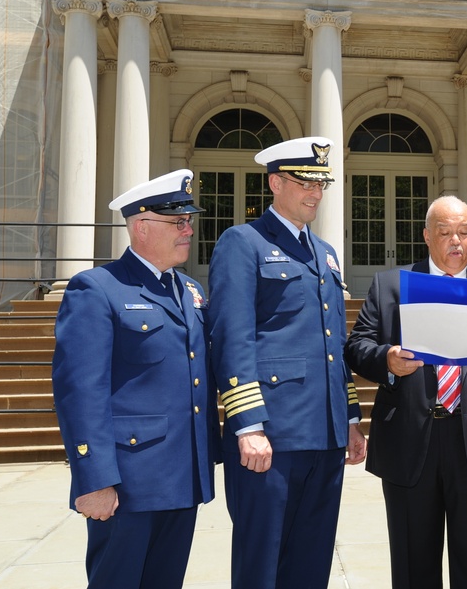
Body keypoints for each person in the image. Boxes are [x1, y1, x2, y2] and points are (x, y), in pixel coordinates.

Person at [343, 195, 467, 589]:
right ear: (427, 236)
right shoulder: (390, 286)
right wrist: (387, 360)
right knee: (414, 568)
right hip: (409, 445)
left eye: (464, 233)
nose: (455, 242)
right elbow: (356, 347)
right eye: (445, 233)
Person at [207, 136, 366, 589]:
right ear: (276, 183)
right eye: (304, 183)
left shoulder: (327, 254)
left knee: (312, 560)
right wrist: (248, 426)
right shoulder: (243, 242)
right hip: (271, 436)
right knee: (263, 562)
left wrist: (350, 420)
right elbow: (231, 337)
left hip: (327, 434)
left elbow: (335, 346)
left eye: (321, 184)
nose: (315, 193)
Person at [52, 170, 219, 589]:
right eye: (177, 222)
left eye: (188, 220)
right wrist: (94, 479)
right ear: (141, 226)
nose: (188, 229)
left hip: (182, 478)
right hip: (128, 482)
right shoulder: (96, 288)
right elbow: (80, 392)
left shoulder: (189, 290)